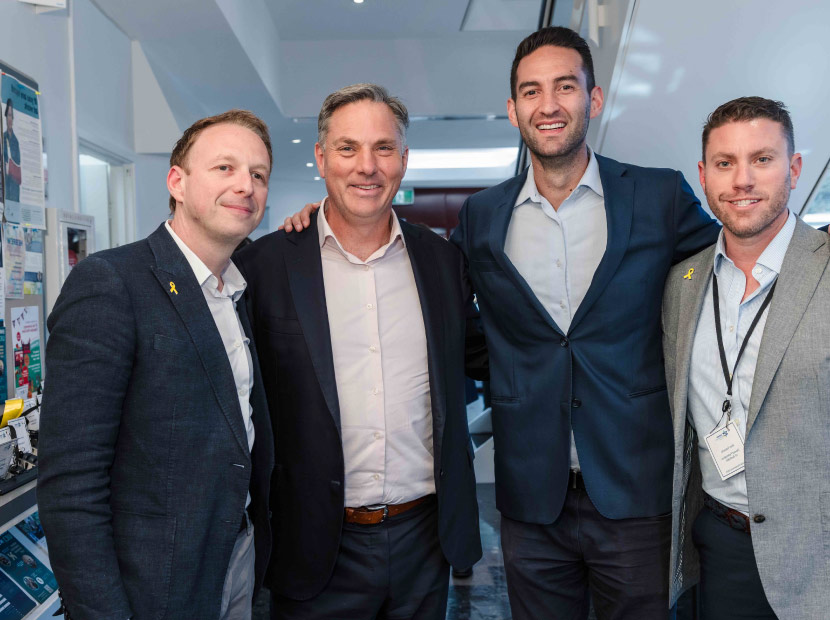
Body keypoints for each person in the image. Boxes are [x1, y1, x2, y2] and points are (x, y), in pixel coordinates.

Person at [281, 28, 719, 619]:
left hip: (637, 489)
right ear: (513, 110)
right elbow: (453, 324)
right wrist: (320, 219)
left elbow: (725, 272)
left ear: (594, 98)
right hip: (530, 497)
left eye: (565, 86)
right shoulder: (482, 217)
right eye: (531, 91)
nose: (549, 104)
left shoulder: (658, 195)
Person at [235, 83, 487, 620]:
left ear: (404, 160)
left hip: (424, 540)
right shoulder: (265, 266)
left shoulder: (444, 263)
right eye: (348, 148)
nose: (367, 166)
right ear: (322, 158)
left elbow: (481, 356)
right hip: (313, 544)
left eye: (384, 148)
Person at [38, 109, 275, 620]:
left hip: (238, 559)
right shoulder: (111, 282)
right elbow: (71, 485)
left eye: (258, 175)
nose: (245, 185)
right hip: (153, 586)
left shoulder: (238, 290)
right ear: (177, 183)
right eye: (225, 168)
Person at [663, 96, 829, 619]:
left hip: (819, 554)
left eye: (762, 159)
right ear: (703, 175)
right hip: (720, 547)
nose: (742, 180)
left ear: (794, 169)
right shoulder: (682, 284)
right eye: (725, 162)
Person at [3, 99, 21, 202]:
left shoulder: (16, 142)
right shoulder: (2, 138)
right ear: (5, 118)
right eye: (8, 115)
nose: (9, 119)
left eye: (11, 116)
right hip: (5, 191)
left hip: (14, 191)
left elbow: (18, 165)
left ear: (13, 118)